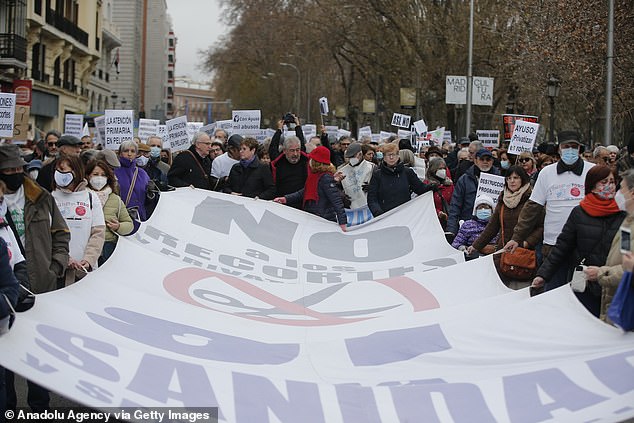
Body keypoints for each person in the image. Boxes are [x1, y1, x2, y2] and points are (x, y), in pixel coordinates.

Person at [0, 144, 69, 412]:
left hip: (41, 284)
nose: (15, 174)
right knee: (6, 352)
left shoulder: (41, 197)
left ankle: (40, 407)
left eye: (19, 169)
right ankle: (8, 407)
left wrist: (56, 267)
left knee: (37, 352)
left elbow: (61, 233)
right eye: (8, 171)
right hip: (7, 288)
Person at [504, 131, 595, 291]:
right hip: (553, 245)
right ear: (559, 149)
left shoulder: (592, 171)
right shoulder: (547, 173)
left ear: (580, 148)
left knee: (580, 293)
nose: (570, 150)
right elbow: (532, 208)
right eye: (566, 146)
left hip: (583, 244)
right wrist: (517, 238)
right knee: (552, 292)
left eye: (574, 146)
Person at [531, 165, 625, 316]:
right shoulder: (579, 213)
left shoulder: (622, 215)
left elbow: (626, 250)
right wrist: (543, 275)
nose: (609, 186)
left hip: (611, 286)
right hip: (585, 285)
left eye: (612, 182)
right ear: (592, 186)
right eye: (604, 182)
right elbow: (562, 247)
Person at [468, 166, 544, 285]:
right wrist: (476, 246)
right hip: (503, 253)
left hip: (524, 254)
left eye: (516, 178)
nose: (512, 181)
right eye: (509, 178)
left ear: (523, 180)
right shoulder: (503, 200)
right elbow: (492, 227)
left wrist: (527, 242)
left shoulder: (532, 200)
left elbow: (541, 226)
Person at [52, 154, 105, 285]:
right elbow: (47, 234)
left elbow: (98, 233)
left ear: (76, 171)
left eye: (64, 170)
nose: (60, 174)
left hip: (85, 270)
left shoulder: (91, 197)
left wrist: (89, 259)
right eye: (58, 170)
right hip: (59, 268)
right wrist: (65, 258)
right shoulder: (50, 198)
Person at [273, 146, 347, 231]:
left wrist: (342, 223)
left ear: (315, 162)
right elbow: (303, 192)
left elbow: (336, 201)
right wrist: (285, 199)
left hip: (323, 219)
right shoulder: (314, 176)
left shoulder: (325, 178)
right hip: (313, 217)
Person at [85, 160, 134, 265]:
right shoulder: (81, 197)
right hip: (86, 246)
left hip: (108, 248)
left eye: (103, 175)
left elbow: (129, 224)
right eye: (95, 174)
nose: (99, 178)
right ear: (88, 176)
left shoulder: (115, 199)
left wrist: (118, 226)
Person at [367, 143, 435, 217]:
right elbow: (372, 198)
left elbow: (420, 188)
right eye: (388, 155)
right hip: (384, 216)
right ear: (384, 157)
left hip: (404, 215)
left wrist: (432, 186)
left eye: (394, 154)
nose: (391, 157)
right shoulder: (377, 175)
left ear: (398, 156)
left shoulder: (407, 172)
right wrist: (378, 213)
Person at [446, 148, 501, 236]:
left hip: (492, 229)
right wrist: (451, 229)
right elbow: (455, 206)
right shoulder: (464, 180)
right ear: (475, 160)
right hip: (468, 228)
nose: (485, 162)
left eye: (488, 159)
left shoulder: (500, 180)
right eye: (482, 159)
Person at [115, 141, 151, 233]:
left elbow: (147, 198)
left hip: (140, 218)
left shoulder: (142, 173)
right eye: (126, 151)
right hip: (121, 218)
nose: (129, 154)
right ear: (120, 153)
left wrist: (151, 192)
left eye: (133, 151)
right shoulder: (114, 172)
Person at [270, 135, 309, 202]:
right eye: (292, 150)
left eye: (297, 150)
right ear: (284, 151)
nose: (295, 154)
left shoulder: (306, 162)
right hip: (282, 203)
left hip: (303, 203)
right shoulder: (278, 164)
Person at [424, 157, 454, 230]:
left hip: (447, 222)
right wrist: (438, 213)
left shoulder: (450, 184)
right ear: (433, 170)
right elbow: (425, 204)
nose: (442, 171)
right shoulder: (426, 186)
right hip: (431, 222)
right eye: (439, 169)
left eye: (444, 168)